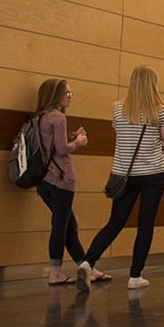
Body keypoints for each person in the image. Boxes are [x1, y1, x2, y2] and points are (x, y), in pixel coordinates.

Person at [77, 66, 164, 291]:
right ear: (153, 85)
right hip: (154, 173)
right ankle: (135, 276)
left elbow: (123, 136)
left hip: (124, 174)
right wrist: (162, 142)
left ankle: (88, 262)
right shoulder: (160, 110)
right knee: (145, 225)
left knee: (115, 222)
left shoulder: (118, 109)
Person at [33, 79, 109, 286]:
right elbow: (62, 149)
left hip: (44, 182)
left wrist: (68, 138)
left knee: (68, 226)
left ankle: (86, 268)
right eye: (66, 92)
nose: (70, 96)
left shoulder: (42, 117)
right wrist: (79, 142)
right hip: (60, 180)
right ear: (55, 95)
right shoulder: (57, 116)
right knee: (61, 227)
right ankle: (55, 273)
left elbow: (52, 145)